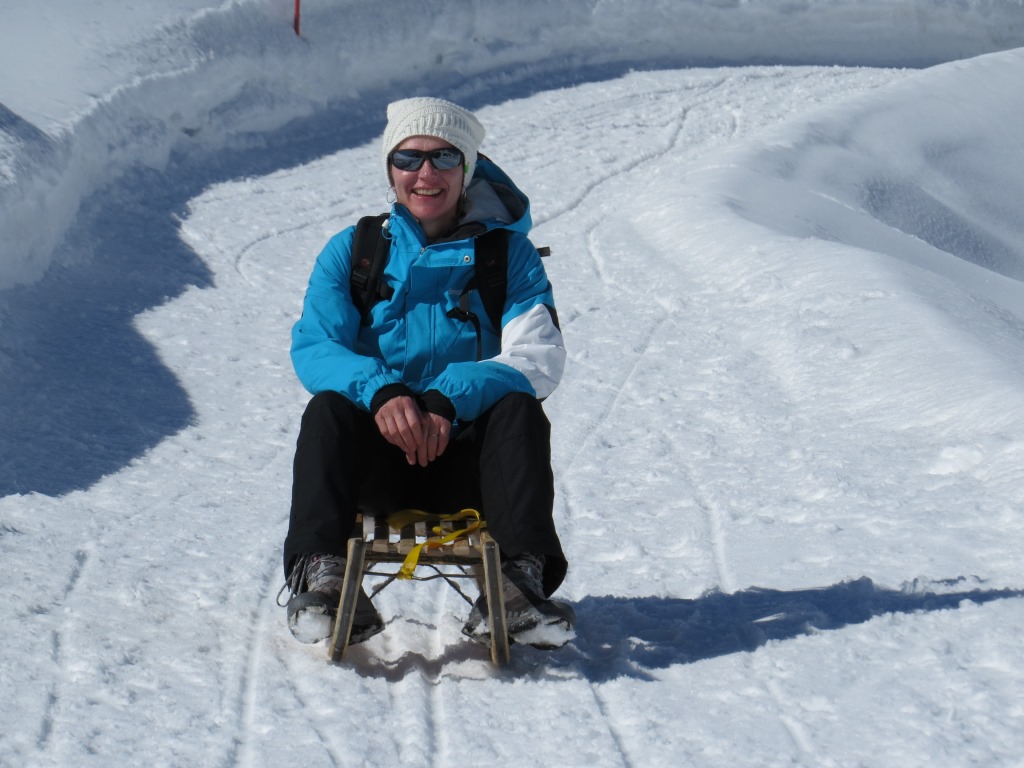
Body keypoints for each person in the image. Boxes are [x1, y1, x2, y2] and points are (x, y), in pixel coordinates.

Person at [280, 97, 574, 650]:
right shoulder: (355, 251)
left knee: (519, 408)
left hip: (471, 467)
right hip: (376, 464)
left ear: (466, 167)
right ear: (390, 169)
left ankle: (517, 583)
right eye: (408, 158)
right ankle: (324, 576)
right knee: (328, 410)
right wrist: (382, 392)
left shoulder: (509, 256)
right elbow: (317, 346)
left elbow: (536, 355)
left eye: (443, 157)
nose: (425, 173)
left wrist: (448, 399)